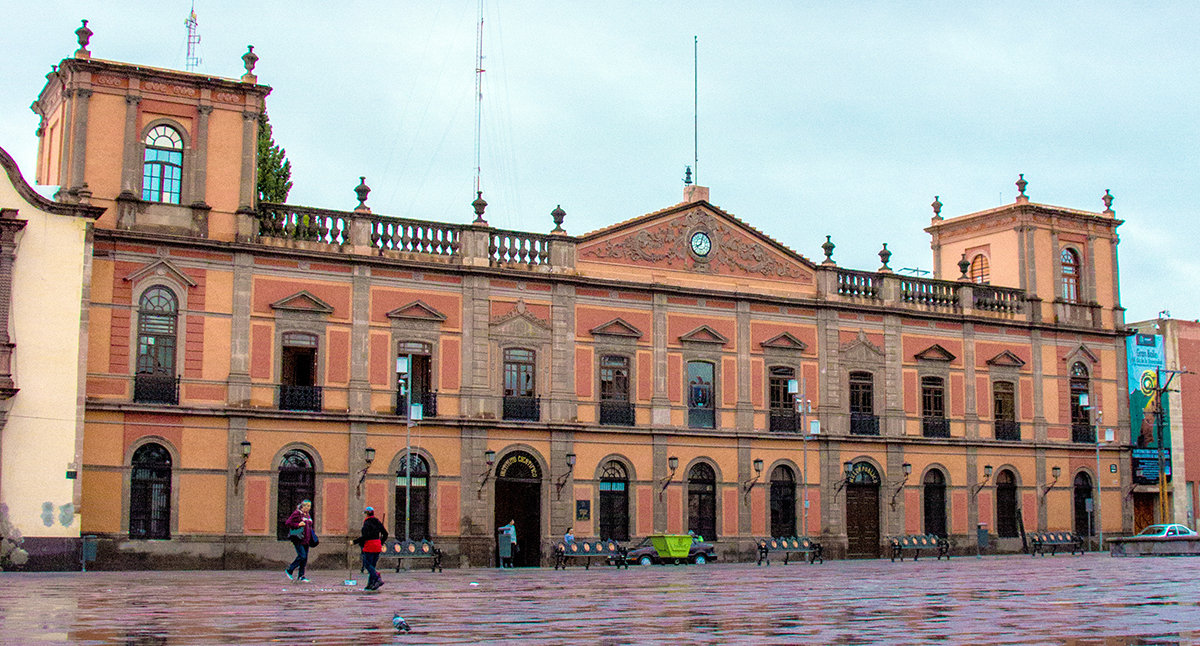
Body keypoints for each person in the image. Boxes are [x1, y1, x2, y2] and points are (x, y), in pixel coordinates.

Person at [353, 506, 388, 591]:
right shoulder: (378, 522)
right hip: (377, 545)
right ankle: (370, 584)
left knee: (367, 564)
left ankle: (377, 578)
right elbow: (385, 534)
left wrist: (355, 541)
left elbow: (366, 536)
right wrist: (381, 542)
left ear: (367, 514)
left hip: (370, 546)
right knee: (372, 565)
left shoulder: (367, 523)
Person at [284, 499, 315, 582]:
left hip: (306, 540)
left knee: (304, 559)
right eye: (307, 506)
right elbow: (288, 523)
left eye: (309, 506)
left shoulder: (307, 515)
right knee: (302, 556)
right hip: (298, 538)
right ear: (303, 506)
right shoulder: (297, 513)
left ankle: (301, 576)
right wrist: (298, 524)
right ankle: (290, 570)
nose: (308, 508)